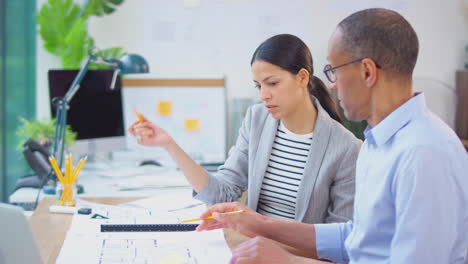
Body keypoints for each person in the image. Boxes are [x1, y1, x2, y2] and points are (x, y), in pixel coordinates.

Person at [196, 8, 468, 264]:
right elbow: (355, 237)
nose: (331, 84)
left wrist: (289, 261)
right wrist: (260, 224)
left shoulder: (422, 154)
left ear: (367, 72)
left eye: (333, 71)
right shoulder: (378, 142)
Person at [128, 34, 362, 224]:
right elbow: (222, 193)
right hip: (250, 249)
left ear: (302, 78)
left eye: (272, 83)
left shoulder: (346, 148)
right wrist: (169, 144)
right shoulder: (256, 119)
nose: (263, 95)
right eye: (258, 85)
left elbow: (339, 239)